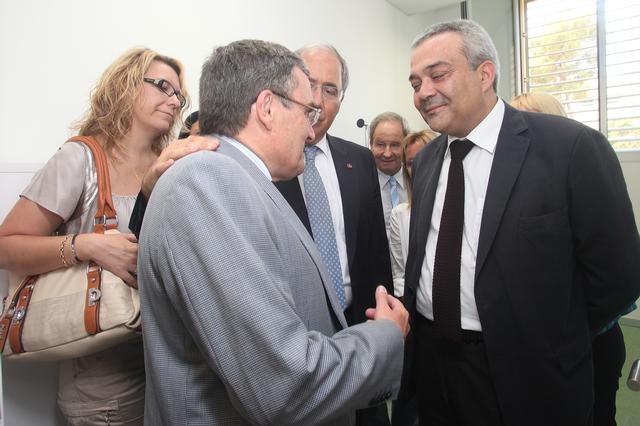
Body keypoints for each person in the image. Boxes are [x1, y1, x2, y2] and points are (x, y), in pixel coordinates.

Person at [138, 39, 409, 426]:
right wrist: (385, 335)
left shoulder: (242, 179)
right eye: (306, 111)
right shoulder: (207, 180)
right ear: (267, 108)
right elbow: (283, 387)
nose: (311, 129)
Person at [401, 19, 640, 426]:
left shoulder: (570, 148)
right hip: (432, 365)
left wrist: (553, 338)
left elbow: (619, 278)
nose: (423, 92)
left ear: (485, 74)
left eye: (437, 75)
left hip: (527, 374)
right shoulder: (425, 161)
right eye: (415, 83)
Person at [0, 47, 190, 424]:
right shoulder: (81, 159)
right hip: (104, 383)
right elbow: (6, 246)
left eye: (179, 96)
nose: (174, 101)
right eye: (163, 87)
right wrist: (86, 245)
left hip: (168, 365)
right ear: (126, 85)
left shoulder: (170, 164)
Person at [273, 45, 394, 425]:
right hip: (294, 336)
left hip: (360, 324)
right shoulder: (265, 165)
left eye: (331, 90)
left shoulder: (359, 160)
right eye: (309, 84)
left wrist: (383, 318)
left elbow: (375, 251)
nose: (317, 100)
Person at [510, 91, 635, 426]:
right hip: (532, 348)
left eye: (533, 117)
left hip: (590, 342)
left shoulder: (584, 157)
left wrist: (569, 328)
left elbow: (619, 276)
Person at [388, 130, 437, 299]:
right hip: (416, 306)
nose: (418, 167)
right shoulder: (399, 214)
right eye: (411, 163)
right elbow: (399, 275)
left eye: (425, 159)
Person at [369, 112, 410, 235]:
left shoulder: (418, 181)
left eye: (395, 145)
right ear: (371, 145)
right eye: (380, 145)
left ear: (406, 145)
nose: (387, 153)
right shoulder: (359, 186)